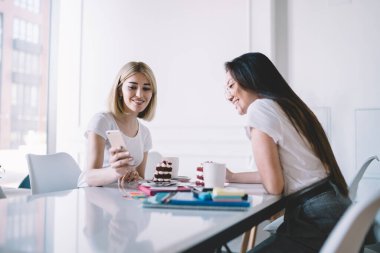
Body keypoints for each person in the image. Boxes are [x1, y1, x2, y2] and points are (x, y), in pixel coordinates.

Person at [224, 52, 351, 252]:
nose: (228, 96)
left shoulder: (259, 109)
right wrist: (231, 176)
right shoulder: (288, 107)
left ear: (250, 78)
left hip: (315, 218)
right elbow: (281, 175)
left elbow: (274, 186)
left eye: (231, 85)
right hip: (332, 208)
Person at [78, 61, 157, 187]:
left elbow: (140, 177)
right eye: (132, 87)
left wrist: (134, 176)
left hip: (122, 199)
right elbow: (89, 178)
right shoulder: (102, 121)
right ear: (120, 90)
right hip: (93, 197)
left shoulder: (145, 133)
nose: (139, 94)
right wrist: (115, 172)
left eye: (146, 88)